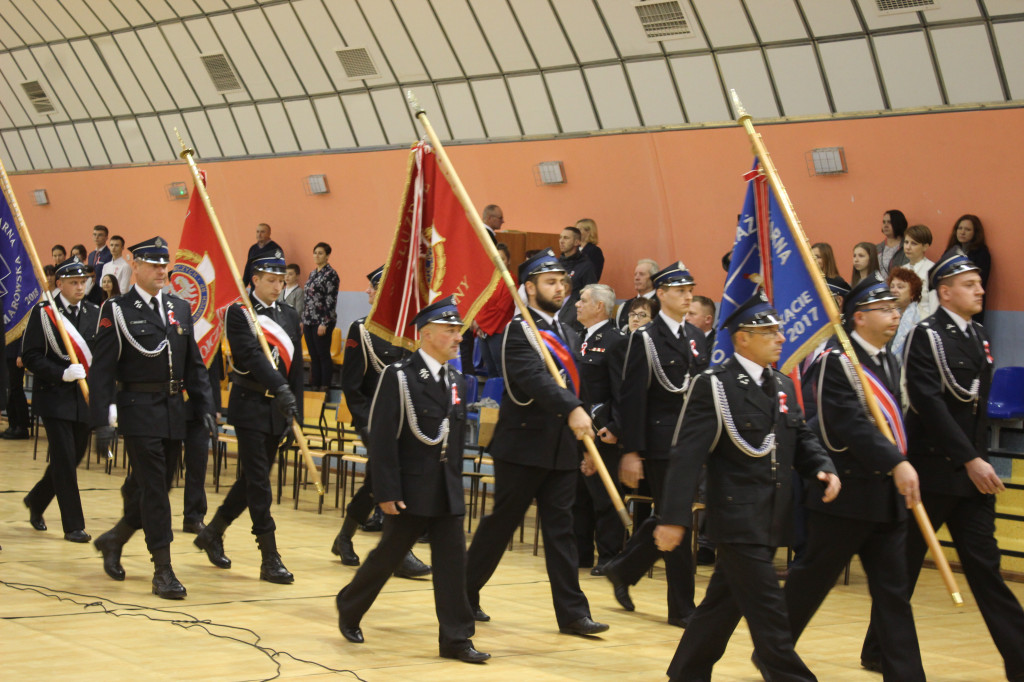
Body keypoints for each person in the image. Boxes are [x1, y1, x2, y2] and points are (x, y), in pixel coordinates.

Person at [655, 290, 840, 682]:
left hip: (771, 516)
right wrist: (673, 518)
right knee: (771, 618)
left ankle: (685, 673)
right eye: (769, 332)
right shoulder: (715, 386)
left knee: (720, 607)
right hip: (736, 519)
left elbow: (799, 437)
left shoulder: (783, 385)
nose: (780, 338)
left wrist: (821, 466)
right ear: (742, 338)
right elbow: (686, 456)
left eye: (778, 330)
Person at [861, 249, 1024, 680]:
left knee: (986, 570)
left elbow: (977, 406)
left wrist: (978, 459)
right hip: (932, 471)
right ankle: (878, 648)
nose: (980, 290)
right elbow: (930, 403)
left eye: (978, 283)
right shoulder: (927, 335)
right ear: (945, 292)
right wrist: (970, 459)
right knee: (905, 567)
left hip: (971, 477)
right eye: (970, 285)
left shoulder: (979, 336)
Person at [784, 277, 925, 681]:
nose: (894, 314)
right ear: (859, 317)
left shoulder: (887, 360)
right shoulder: (834, 361)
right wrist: (896, 462)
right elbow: (846, 424)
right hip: (846, 496)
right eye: (885, 309)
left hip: (885, 500)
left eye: (896, 308)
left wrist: (896, 466)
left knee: (893, 595)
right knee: (811, 582)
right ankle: (774, 649)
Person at [335, 297, 490, 664]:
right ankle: (350, 604)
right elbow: (384, 437)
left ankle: (456, 639)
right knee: (387, 557)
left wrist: (456, 485)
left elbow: (450, 437)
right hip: (410, 488)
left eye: (459, 330)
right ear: (426, 334)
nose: (458, 337)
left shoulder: (456, 379)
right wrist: (385, 491)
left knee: (453, 565)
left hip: (445, 488)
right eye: (450, 331)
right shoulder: (399, 376)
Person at [465, 249, 609, 637]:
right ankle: (463, 593)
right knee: (501, 526)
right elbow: (533, 379)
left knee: (561, 530)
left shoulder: (565, 330)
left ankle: (573, 614)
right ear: (529, 288)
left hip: (561, 446)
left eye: (563, 281)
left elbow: (572, 383)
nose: (560, 287)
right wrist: (574, 409)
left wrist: (582, 443)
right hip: (523, 446)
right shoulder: (517, 331)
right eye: (550, 281)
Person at [90, 236, 216, 600]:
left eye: (166, 266)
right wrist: (101, 421)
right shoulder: (117, 309)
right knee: (157, 491)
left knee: (158, 486)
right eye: (155, 265)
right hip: (138, 409)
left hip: (175, 410)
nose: (163, 271)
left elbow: (195, 365)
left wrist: (206, 408)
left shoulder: (178, 307)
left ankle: (114, 539)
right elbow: (101, 371)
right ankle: (163, 568)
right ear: (137, 266)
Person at [603, 261, 709, 627]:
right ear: (661, 294)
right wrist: (632, 450)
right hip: (663, 444)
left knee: (670, 518)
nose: (688, 295)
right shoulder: (644, 338)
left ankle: (624, 569)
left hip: (692, 442)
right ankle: (683, 608)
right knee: (678, 520)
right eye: (680, 290)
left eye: (690, 289)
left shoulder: (695, 337)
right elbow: (632, 398)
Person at [194, 253, 301, 584]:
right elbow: (251, 356)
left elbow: (294, 364)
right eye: (271, 280)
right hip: (250, 403)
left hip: (277, 408)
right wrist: (280, 388)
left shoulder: (288, 314)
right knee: (259, 482)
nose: (277, 286)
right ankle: (269, 556)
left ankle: (213, 531)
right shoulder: (240, 313)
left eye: (281, 281)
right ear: (254, 280)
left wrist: (291, 403)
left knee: (251, 480)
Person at [332, 266, 430, 579]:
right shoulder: (360, 331)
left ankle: (345, 537)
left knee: (378, 483)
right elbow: (352, 387)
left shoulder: (411, 333)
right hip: (375, 422)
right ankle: (400, 554)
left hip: (407, 423)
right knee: (392, 480)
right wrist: (368, 426)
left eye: (374, 288)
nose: (368, 293)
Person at [21, 257, 100, 542]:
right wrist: (61, 373)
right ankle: (74, 525)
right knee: (64, 460)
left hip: (83, 399)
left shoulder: (93, 312)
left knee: (73, 457)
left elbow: (99, 358)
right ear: (60, 284)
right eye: (74, 283)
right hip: (54, 397)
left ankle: (36, 500)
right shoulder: (44, 313)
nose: (81, 287)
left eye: (84, 282)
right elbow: (30, 356)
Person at [573, 283, 627, 574]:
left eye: (583, 300)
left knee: (603, 495)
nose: (577, 304)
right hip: (575, 429)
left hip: (601, 429)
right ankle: (581, 553)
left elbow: (621, 389)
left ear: (599, 307)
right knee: (577, 495)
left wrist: (615, 426)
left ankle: (609, 555)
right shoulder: (577, 337)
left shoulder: (615, 340)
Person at [301, 242, 339, 391]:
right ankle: (314, 386)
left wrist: (324, 322)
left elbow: (330, 300)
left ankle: (325, 387)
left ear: (327, 256)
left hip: (323, 320)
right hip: (309, 319)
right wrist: (304, 319)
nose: (317, 256)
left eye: (320, 253)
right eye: (315, 252)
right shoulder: (312, 273)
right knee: (313, 355)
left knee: (323, 354)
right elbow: (308, 299)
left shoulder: (331, 274)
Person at [474, 243, 516, 378]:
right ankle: (493, 399)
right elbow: (478, 304)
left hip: (499, 331)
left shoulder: (511, 279)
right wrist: (478, 324)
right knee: (490, 369)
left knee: (501, 369)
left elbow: (501, 309)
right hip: (483, 331)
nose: (498, 262)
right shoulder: (486, 278)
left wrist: (479, 323)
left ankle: (504, 398)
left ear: (508, 261)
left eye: (502, 258)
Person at [945, 213, 991, 323]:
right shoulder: (950, 251)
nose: (962, 232)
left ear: (975, 233)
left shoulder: (981, 253)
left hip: (970, 305)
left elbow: (978, 280)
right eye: (960, 228)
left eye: (967, 229)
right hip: (950, 303)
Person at [900, 224, 937, 319]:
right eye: (906, 242)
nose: (908, 247)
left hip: (924, 320)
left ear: (925, 247)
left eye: (914, 243)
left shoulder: (931, 270)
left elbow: (934, 304)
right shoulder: (901, 270)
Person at [887, 267, 923, 361]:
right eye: (892, 286)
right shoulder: (886, 316)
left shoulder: (922, 319)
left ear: (912, 293)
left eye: (900, 287)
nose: (894, 290)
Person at [558, 226, 597, 308]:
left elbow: (591, 293)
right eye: (560, 237)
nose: (561, 241)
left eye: (566, 238)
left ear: (577, 242)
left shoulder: (586, 266)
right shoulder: (556, 263)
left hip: (574, 311)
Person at [616, 258, 658, 329]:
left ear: (653, 278)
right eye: (635, 274)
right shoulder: (624, 306)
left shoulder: (663, 305)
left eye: (641, 274)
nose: (636, 278)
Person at [241, 223, 283, 287]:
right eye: (257, 232)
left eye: (262, 232)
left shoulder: (275, 249)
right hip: (254, 288)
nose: (259, 235)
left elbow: (279, 270)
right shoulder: (253, 249)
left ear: (269, 233)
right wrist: (243, 285)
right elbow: (248, 267)